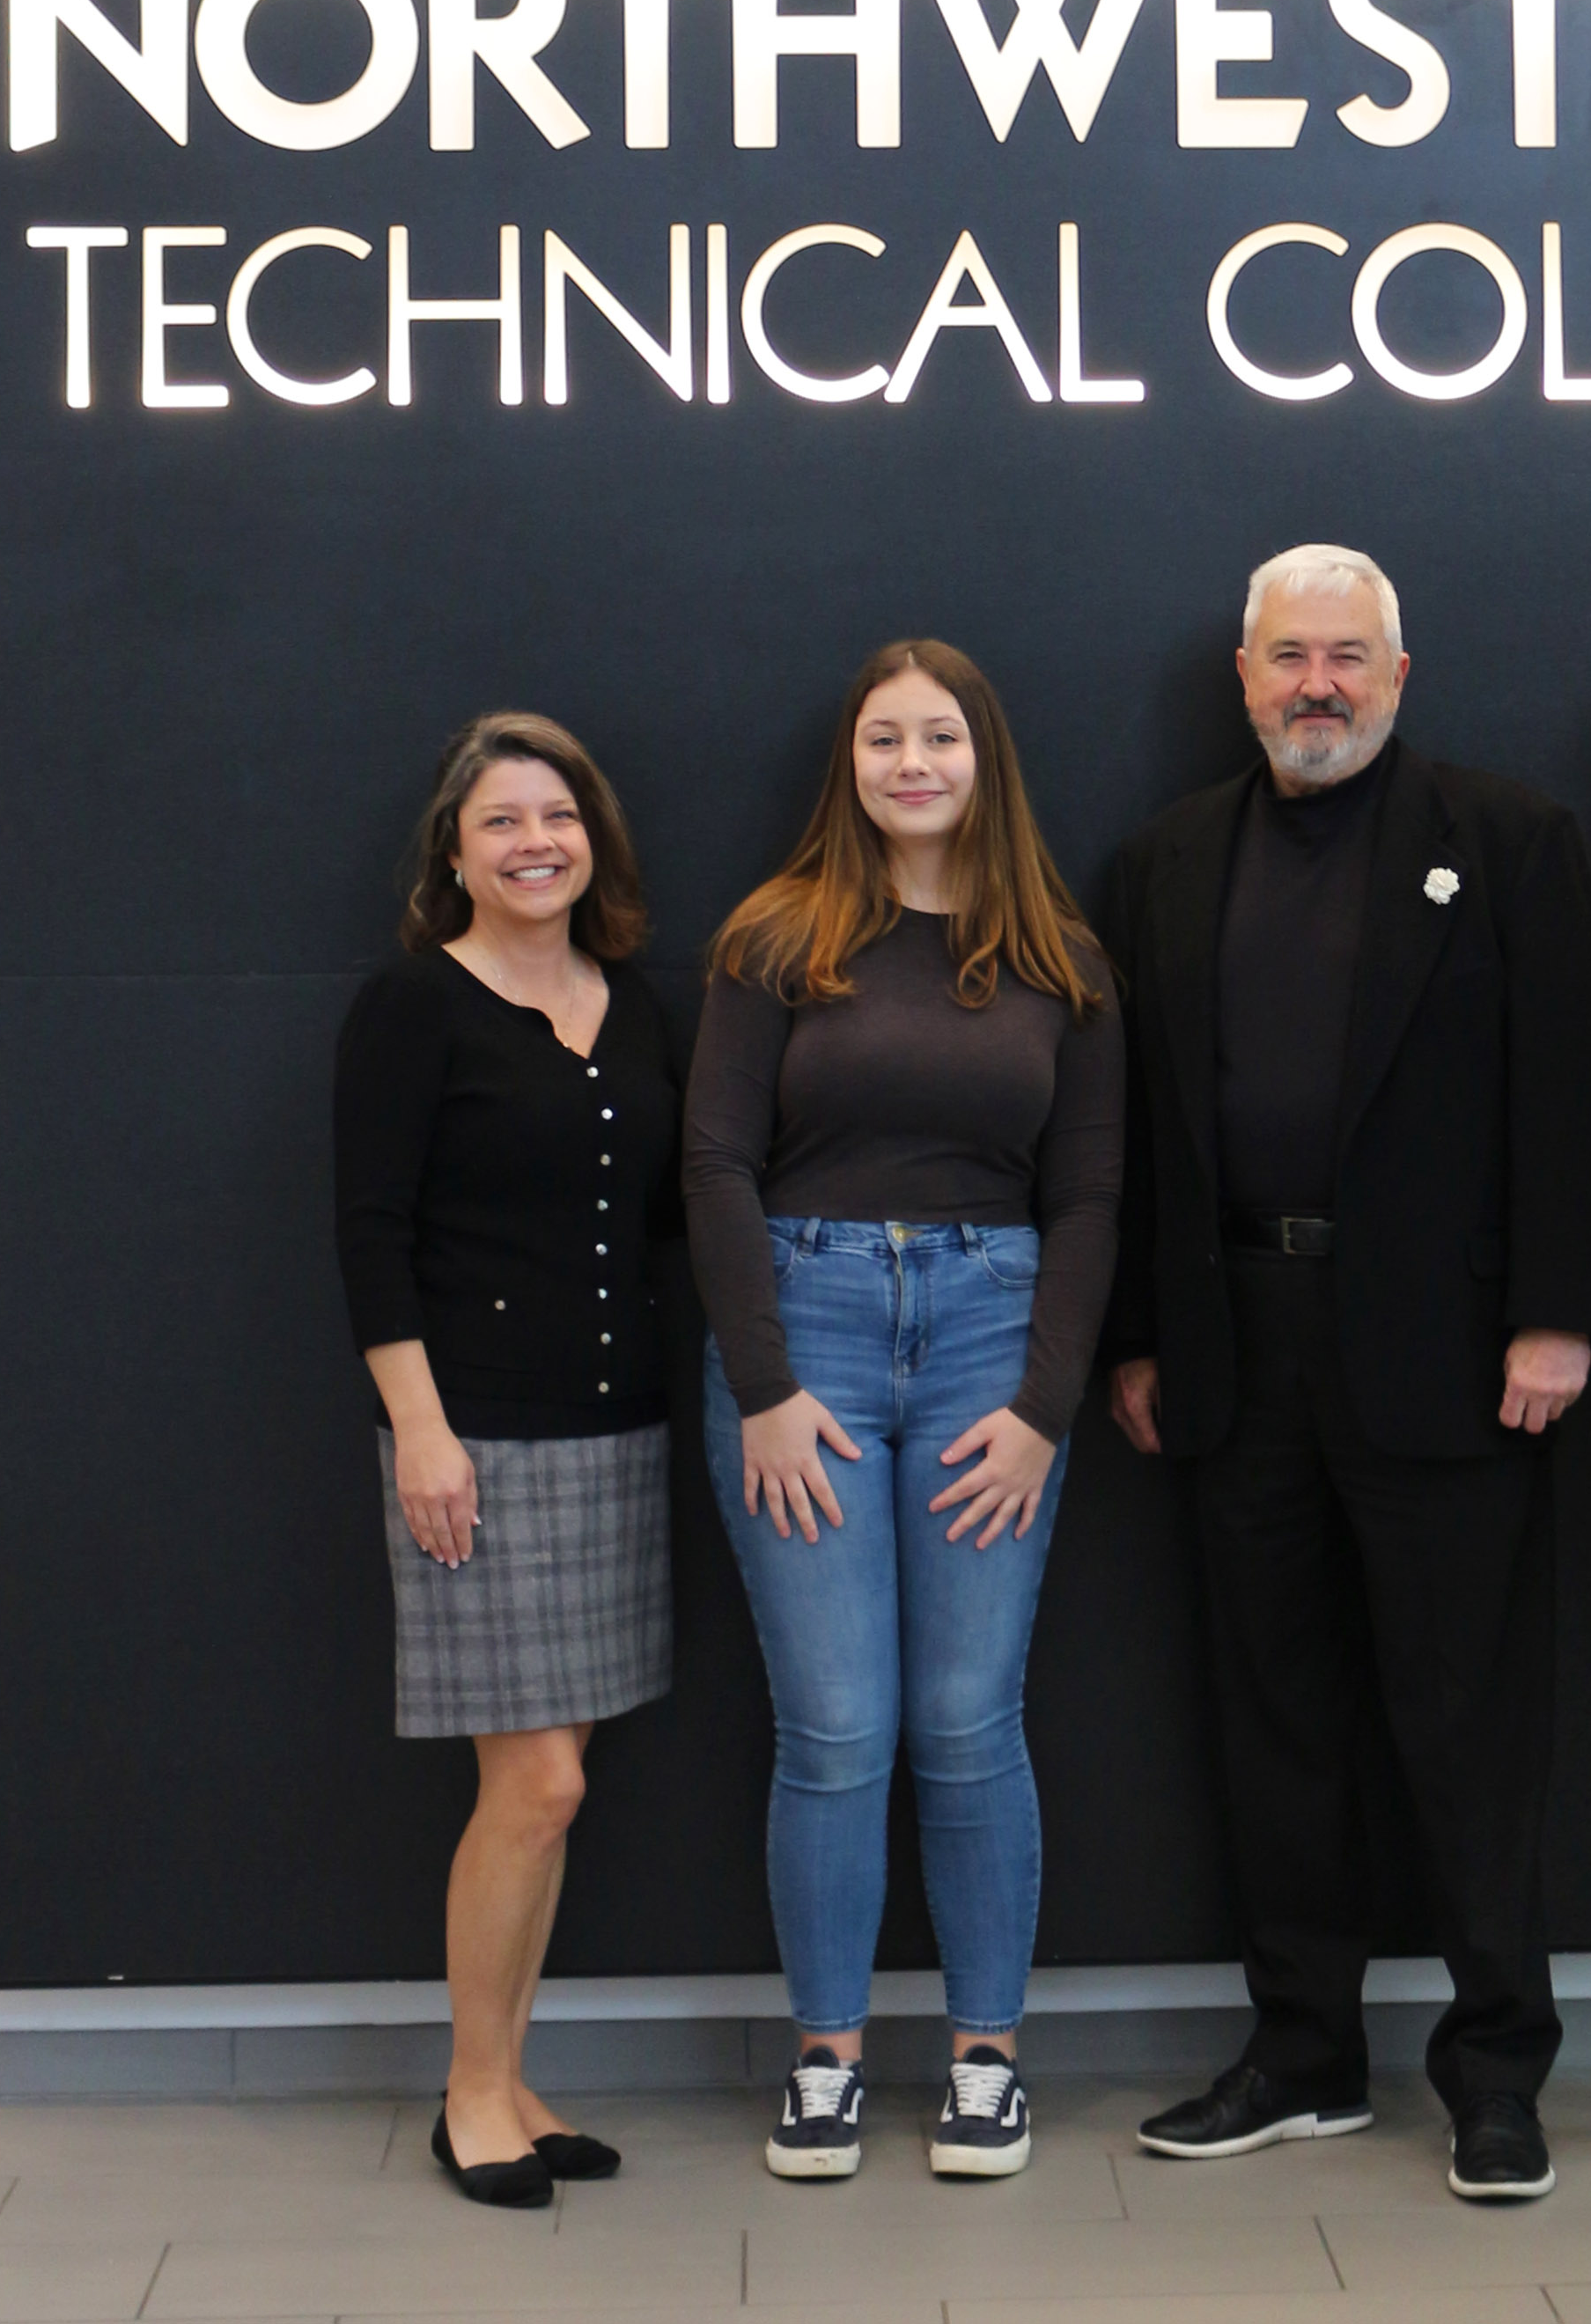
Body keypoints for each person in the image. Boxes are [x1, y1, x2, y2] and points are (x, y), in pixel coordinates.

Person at [1107, 543, 1591, 2206]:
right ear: (1245, 677)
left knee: (1468, 1724)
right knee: (1274, 1718)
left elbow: (1575, 1089)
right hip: (1233, 1342)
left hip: (1452, 1352)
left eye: (1347, 656)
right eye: (1287, 657)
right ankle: (1303, 2056)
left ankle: (1496, 2075)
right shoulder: (1166, 861)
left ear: (1398, 677)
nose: (1315, 683)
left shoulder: (1507, 839)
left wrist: (1560, 1313)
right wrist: (1138, 1332)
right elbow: (1131, 1125)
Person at [683, 638, 1123, 2184]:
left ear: (983, 757)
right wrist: (766, 1388)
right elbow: (717, 1166)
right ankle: (826, 2061)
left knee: (964, 1719)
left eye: (941, 735)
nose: (914, 763)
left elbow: (1088, 1199)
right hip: (805, 1333)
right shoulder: (774, 937)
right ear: (851, 763)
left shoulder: (1061, 957)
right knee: (837, 1726)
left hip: (992, 1343)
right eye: (885, 739)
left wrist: (1043, 1408)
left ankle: (987, 2059)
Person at [333, 713, 680, 2210]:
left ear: (591, 837)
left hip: (617, 1434)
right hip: (475, 1440)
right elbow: (370, 1233)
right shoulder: (414, 1007)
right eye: (502, 823)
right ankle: (470, 2090)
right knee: (533, 1783)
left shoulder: (634, 1002)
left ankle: (512, 2068)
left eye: (559, 816)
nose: (536, 841)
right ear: (455, 854)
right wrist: (418, 1429)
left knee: (561, 1782)